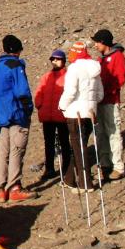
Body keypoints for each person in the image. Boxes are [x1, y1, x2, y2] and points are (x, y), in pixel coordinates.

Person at [0, 34, 35, 203]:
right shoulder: (15, 66)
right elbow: (22, 92)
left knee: (4, 151)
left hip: (2, 117)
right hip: (16, 115)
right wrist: (28, 110)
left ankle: (1, 187)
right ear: (17, 50)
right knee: (16, 150)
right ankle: (15, 188)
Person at [58, 40, 104, 191]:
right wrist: (92, 104)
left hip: (75, 111)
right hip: (90, 112)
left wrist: (62, 105)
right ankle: (69, 178)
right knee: (79, 145)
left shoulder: (74, 69)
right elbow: (100, 94)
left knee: (78, 147)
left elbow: (70, 91)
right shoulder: (95, 69)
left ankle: (86, 183)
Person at [92, 28, 125, 180]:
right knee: (100, 133)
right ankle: (105, 163)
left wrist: (107, 92)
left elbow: (120, 78)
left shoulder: (117, 56)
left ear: (104, 42)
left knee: (113, 132)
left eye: (97, 42)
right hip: (100, 101)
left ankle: (118, 166)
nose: (95, 45)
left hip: (110, 101)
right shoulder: (101, 60)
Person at [33, 49, 72, 185]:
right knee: (48, 143)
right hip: (47, 116)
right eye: (53, 59)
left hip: (61, 115)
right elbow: (39, 91)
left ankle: (66, 168)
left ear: (63, 60)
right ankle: (49, 168)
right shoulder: (46, 76)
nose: (55, 61)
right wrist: (39, 105)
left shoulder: (68, 76)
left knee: (64, 142)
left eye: (58, 59)